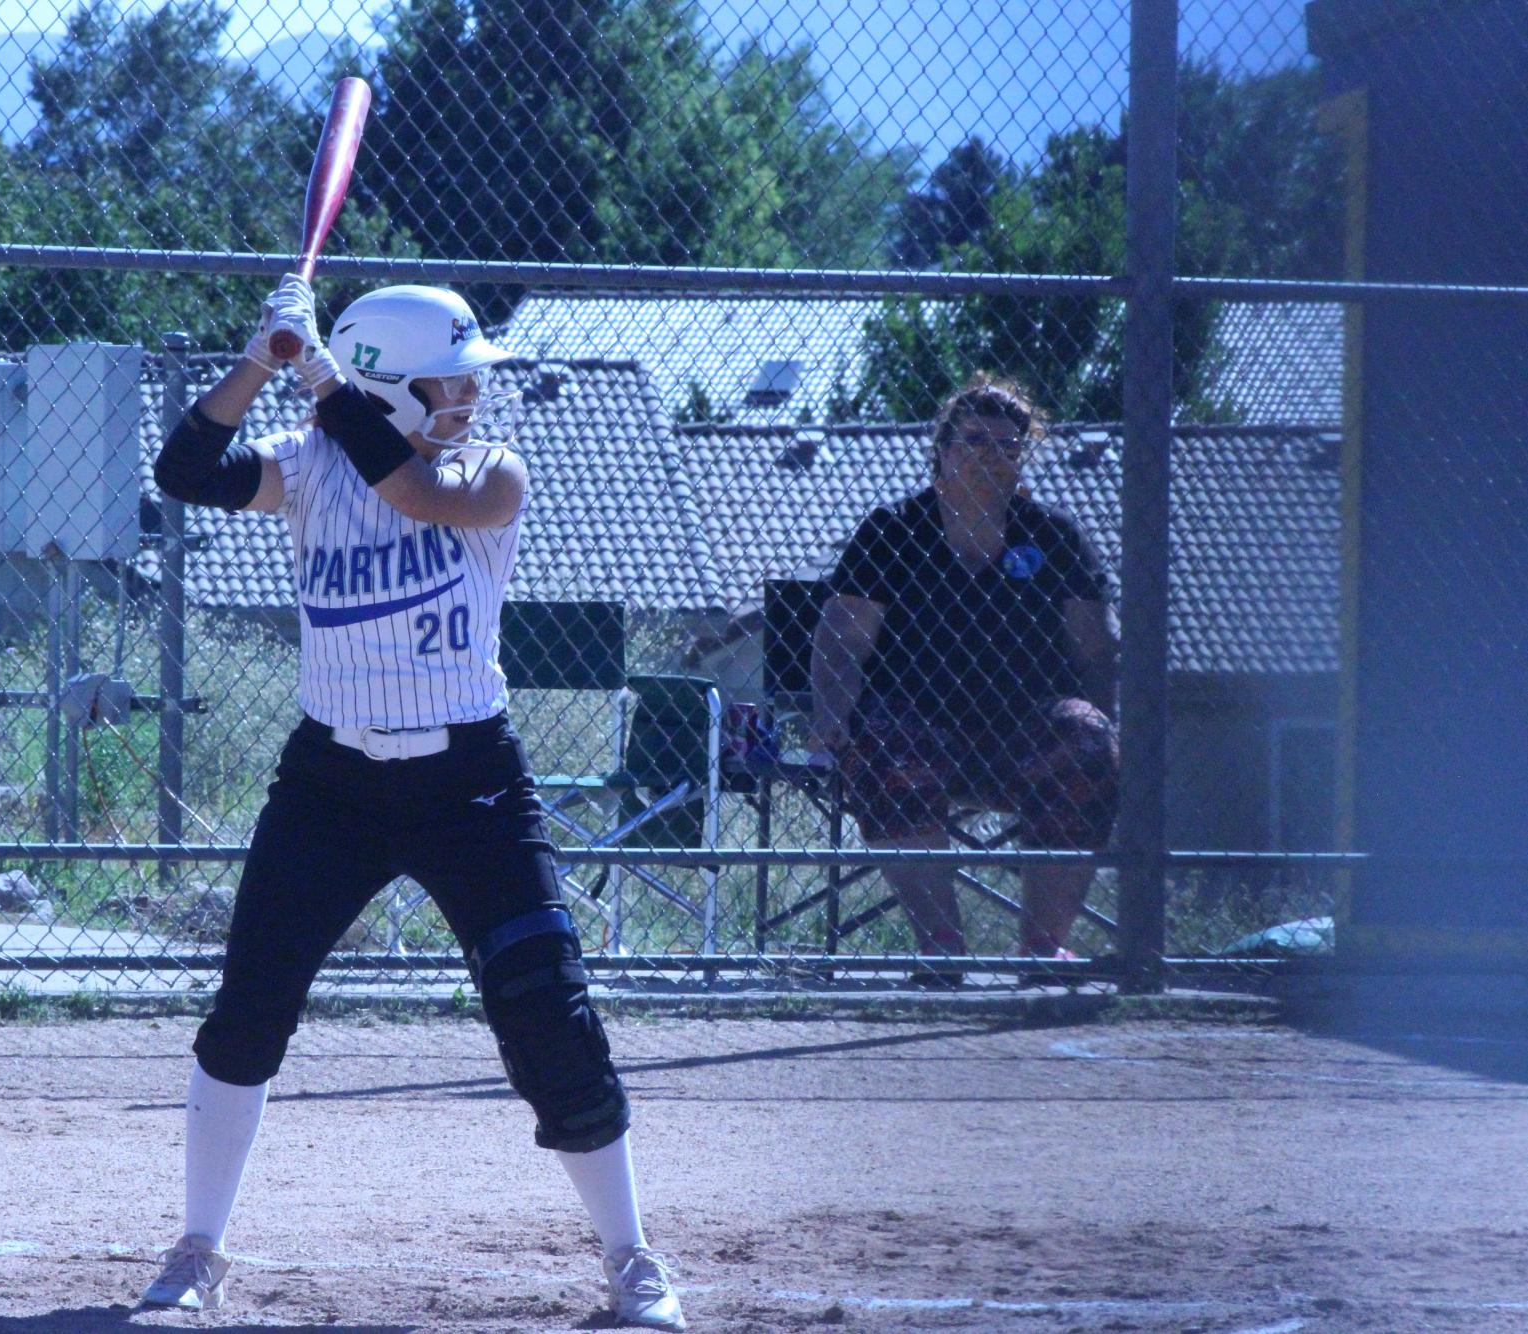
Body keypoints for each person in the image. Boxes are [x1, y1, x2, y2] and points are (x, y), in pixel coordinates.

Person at [139, 276, 685, 1330]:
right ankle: (200, 1246)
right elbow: (184, 468)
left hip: (469, 782)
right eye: (447, 379)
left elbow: (417, 495)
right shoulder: (304, 468)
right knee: (249, 1009)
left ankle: (632, 1257)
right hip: (330, 784)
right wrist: (266, 355)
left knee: (548, 1009)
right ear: (393, 384)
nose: (466, 397)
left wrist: (325, 377)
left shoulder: (491, 472)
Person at [809, 374, 1119, 980]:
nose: (990, 455)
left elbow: (1098, 649)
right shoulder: (893, 532)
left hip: (1027, 730)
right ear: (942, 451)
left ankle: (1043, 946)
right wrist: (830, 718)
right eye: (975, 440)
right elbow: (842, 640)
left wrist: (1113, 728)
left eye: (1008, 445)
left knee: (1085, 739)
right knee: (883, 739)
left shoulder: (1054, 537)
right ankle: (942, 942)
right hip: (919, 725)